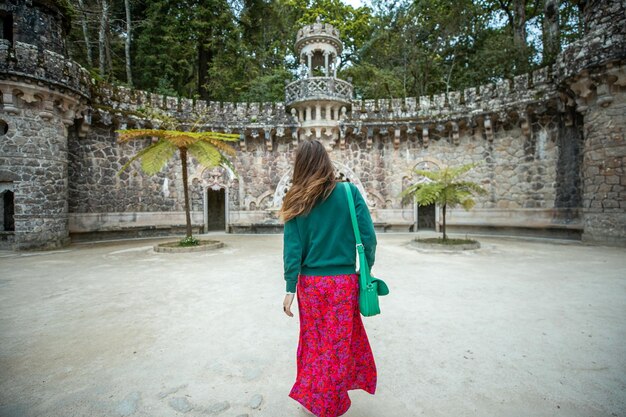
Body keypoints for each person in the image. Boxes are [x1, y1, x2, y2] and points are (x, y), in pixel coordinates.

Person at [280, 139, 378, 417]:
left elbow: (292, 249)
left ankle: (320, 397)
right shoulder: (349, 193)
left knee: (315, 342)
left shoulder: (295, 199)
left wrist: (290, 288)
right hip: (344, 283)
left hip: (311, 285)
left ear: (300, 165)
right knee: (337, 344)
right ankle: (330, 402)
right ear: (326, 162)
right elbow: (368, 239)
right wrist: (365, 270)